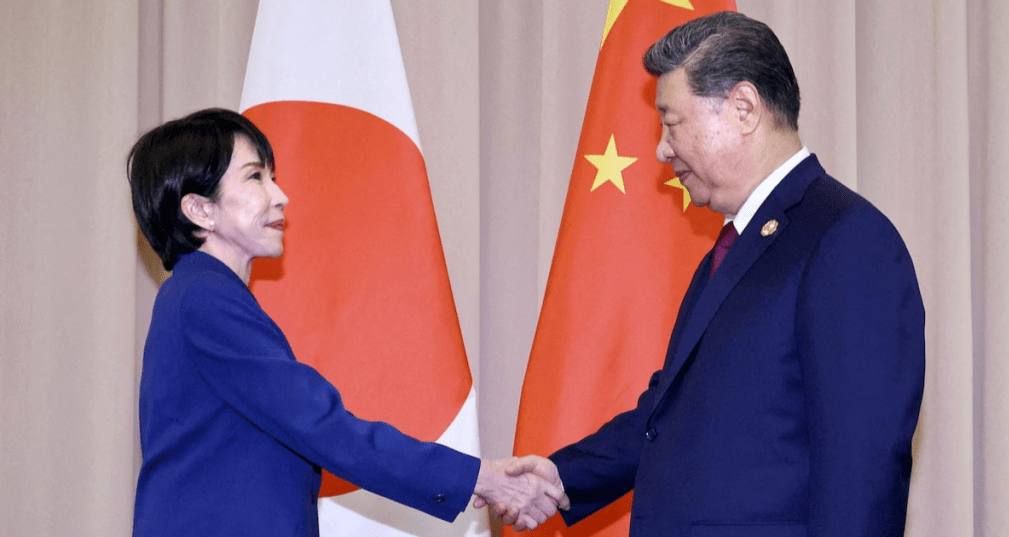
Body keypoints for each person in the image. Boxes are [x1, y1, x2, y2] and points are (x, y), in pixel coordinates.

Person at [495, 11, 925, 536]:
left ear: (743, 108)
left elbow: (864, 468)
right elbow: (669, 415)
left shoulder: (846, 239)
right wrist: (562, 477)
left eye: (672, 122)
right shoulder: (733, 250)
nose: (660, 148)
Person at [128, 108, 568, 536]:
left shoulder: (197, 295)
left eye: (272, 176)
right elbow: (321, 425)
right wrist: (482, 478)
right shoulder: (205, 297)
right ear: (200, 210)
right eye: (255, 177)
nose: (281, 196)